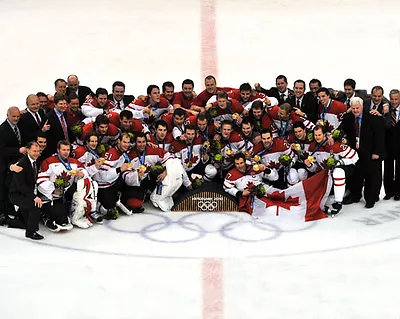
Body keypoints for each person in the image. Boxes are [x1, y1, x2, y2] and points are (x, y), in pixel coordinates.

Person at [37, 140, 96, 230]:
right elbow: (41, 180)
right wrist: (54, 191)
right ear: (58, 150)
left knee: (87, 183)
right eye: (63, 150)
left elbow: (84, 172)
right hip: (53, 196)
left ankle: (77, 211)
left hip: (68, 194)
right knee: (62, 221)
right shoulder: (48, 162)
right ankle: (44, 215)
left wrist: (81, 174)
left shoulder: (74, 162)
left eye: (68, 150)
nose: (66, 152)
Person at [339, 97, 385, 208]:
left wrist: (376, 152)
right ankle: (355, 196)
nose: (355, 110)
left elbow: (380, 136)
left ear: (362, 106)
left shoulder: (372, 117)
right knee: (357, 175)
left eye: (357, 108)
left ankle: (370, 199)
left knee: (370, 176)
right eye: (353, 108)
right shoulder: (348, 118)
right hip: (355, 153)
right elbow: (341, 130)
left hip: (370, 152)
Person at [305, 125, 358, 215]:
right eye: (315, 135)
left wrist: (340, 162)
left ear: (325, 134)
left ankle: (338, 202)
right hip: (328, 175)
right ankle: (340, 193)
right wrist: (309, 165)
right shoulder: (312, 147)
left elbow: (355, 156)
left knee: (338, 171)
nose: (317, 137)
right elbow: (316, 168)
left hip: (345, 169)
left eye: (319, 135)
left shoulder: (334, 144)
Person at [8, 142, 44, 240]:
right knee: (35, 205)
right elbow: (21, 186)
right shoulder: (22, 163)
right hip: (17, 194)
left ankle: (8, 221)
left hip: (26, 192)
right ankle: (30, 232)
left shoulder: (37, 160)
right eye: (34, 151)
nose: (36, 153)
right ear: (27, 150)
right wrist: (34, 197)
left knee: (26, 222)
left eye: (38, 151)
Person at [0, 107, 26, 220]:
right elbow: (2, 149)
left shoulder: (19, 125)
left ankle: (9, 208)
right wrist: (18, 150)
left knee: (11, 186)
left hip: (15, 162)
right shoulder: (2, 129)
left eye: (18, 116)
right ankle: (1, 212)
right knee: (3, 188)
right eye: (13, 116)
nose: (16, 118)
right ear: (7, 115)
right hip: (3, 164)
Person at [41, 93, 70, 158]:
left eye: (65, 104)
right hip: (54, 151)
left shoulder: (64, 114)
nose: (63, 106)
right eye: (61, 104)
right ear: (55, 104)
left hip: (65, 149)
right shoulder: (48, 117)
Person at [383, 89, 400, 200]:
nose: (394, 101)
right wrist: (385, 114)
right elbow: (384, 126)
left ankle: (398, 192)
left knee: (399, 168)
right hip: (388, 143)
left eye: (396, 99)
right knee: (388, 168)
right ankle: (388, 192)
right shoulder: (386, 109)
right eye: (392, 99)